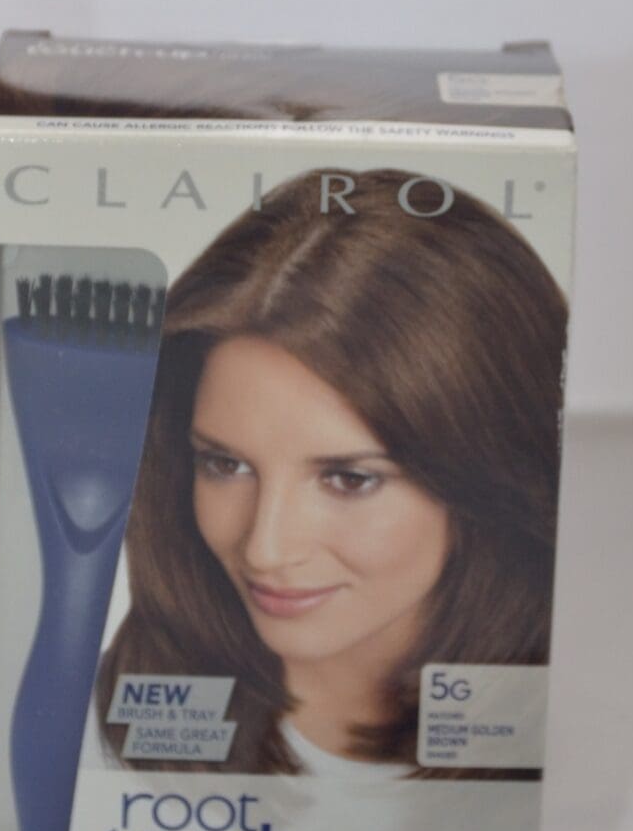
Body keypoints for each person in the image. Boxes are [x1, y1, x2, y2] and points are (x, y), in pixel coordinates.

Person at [95, 168, 567, 773]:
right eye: (225, 464)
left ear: (488, 474)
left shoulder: (548, 748)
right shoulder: (92, 749)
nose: (266, 549)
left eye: (349, 479)